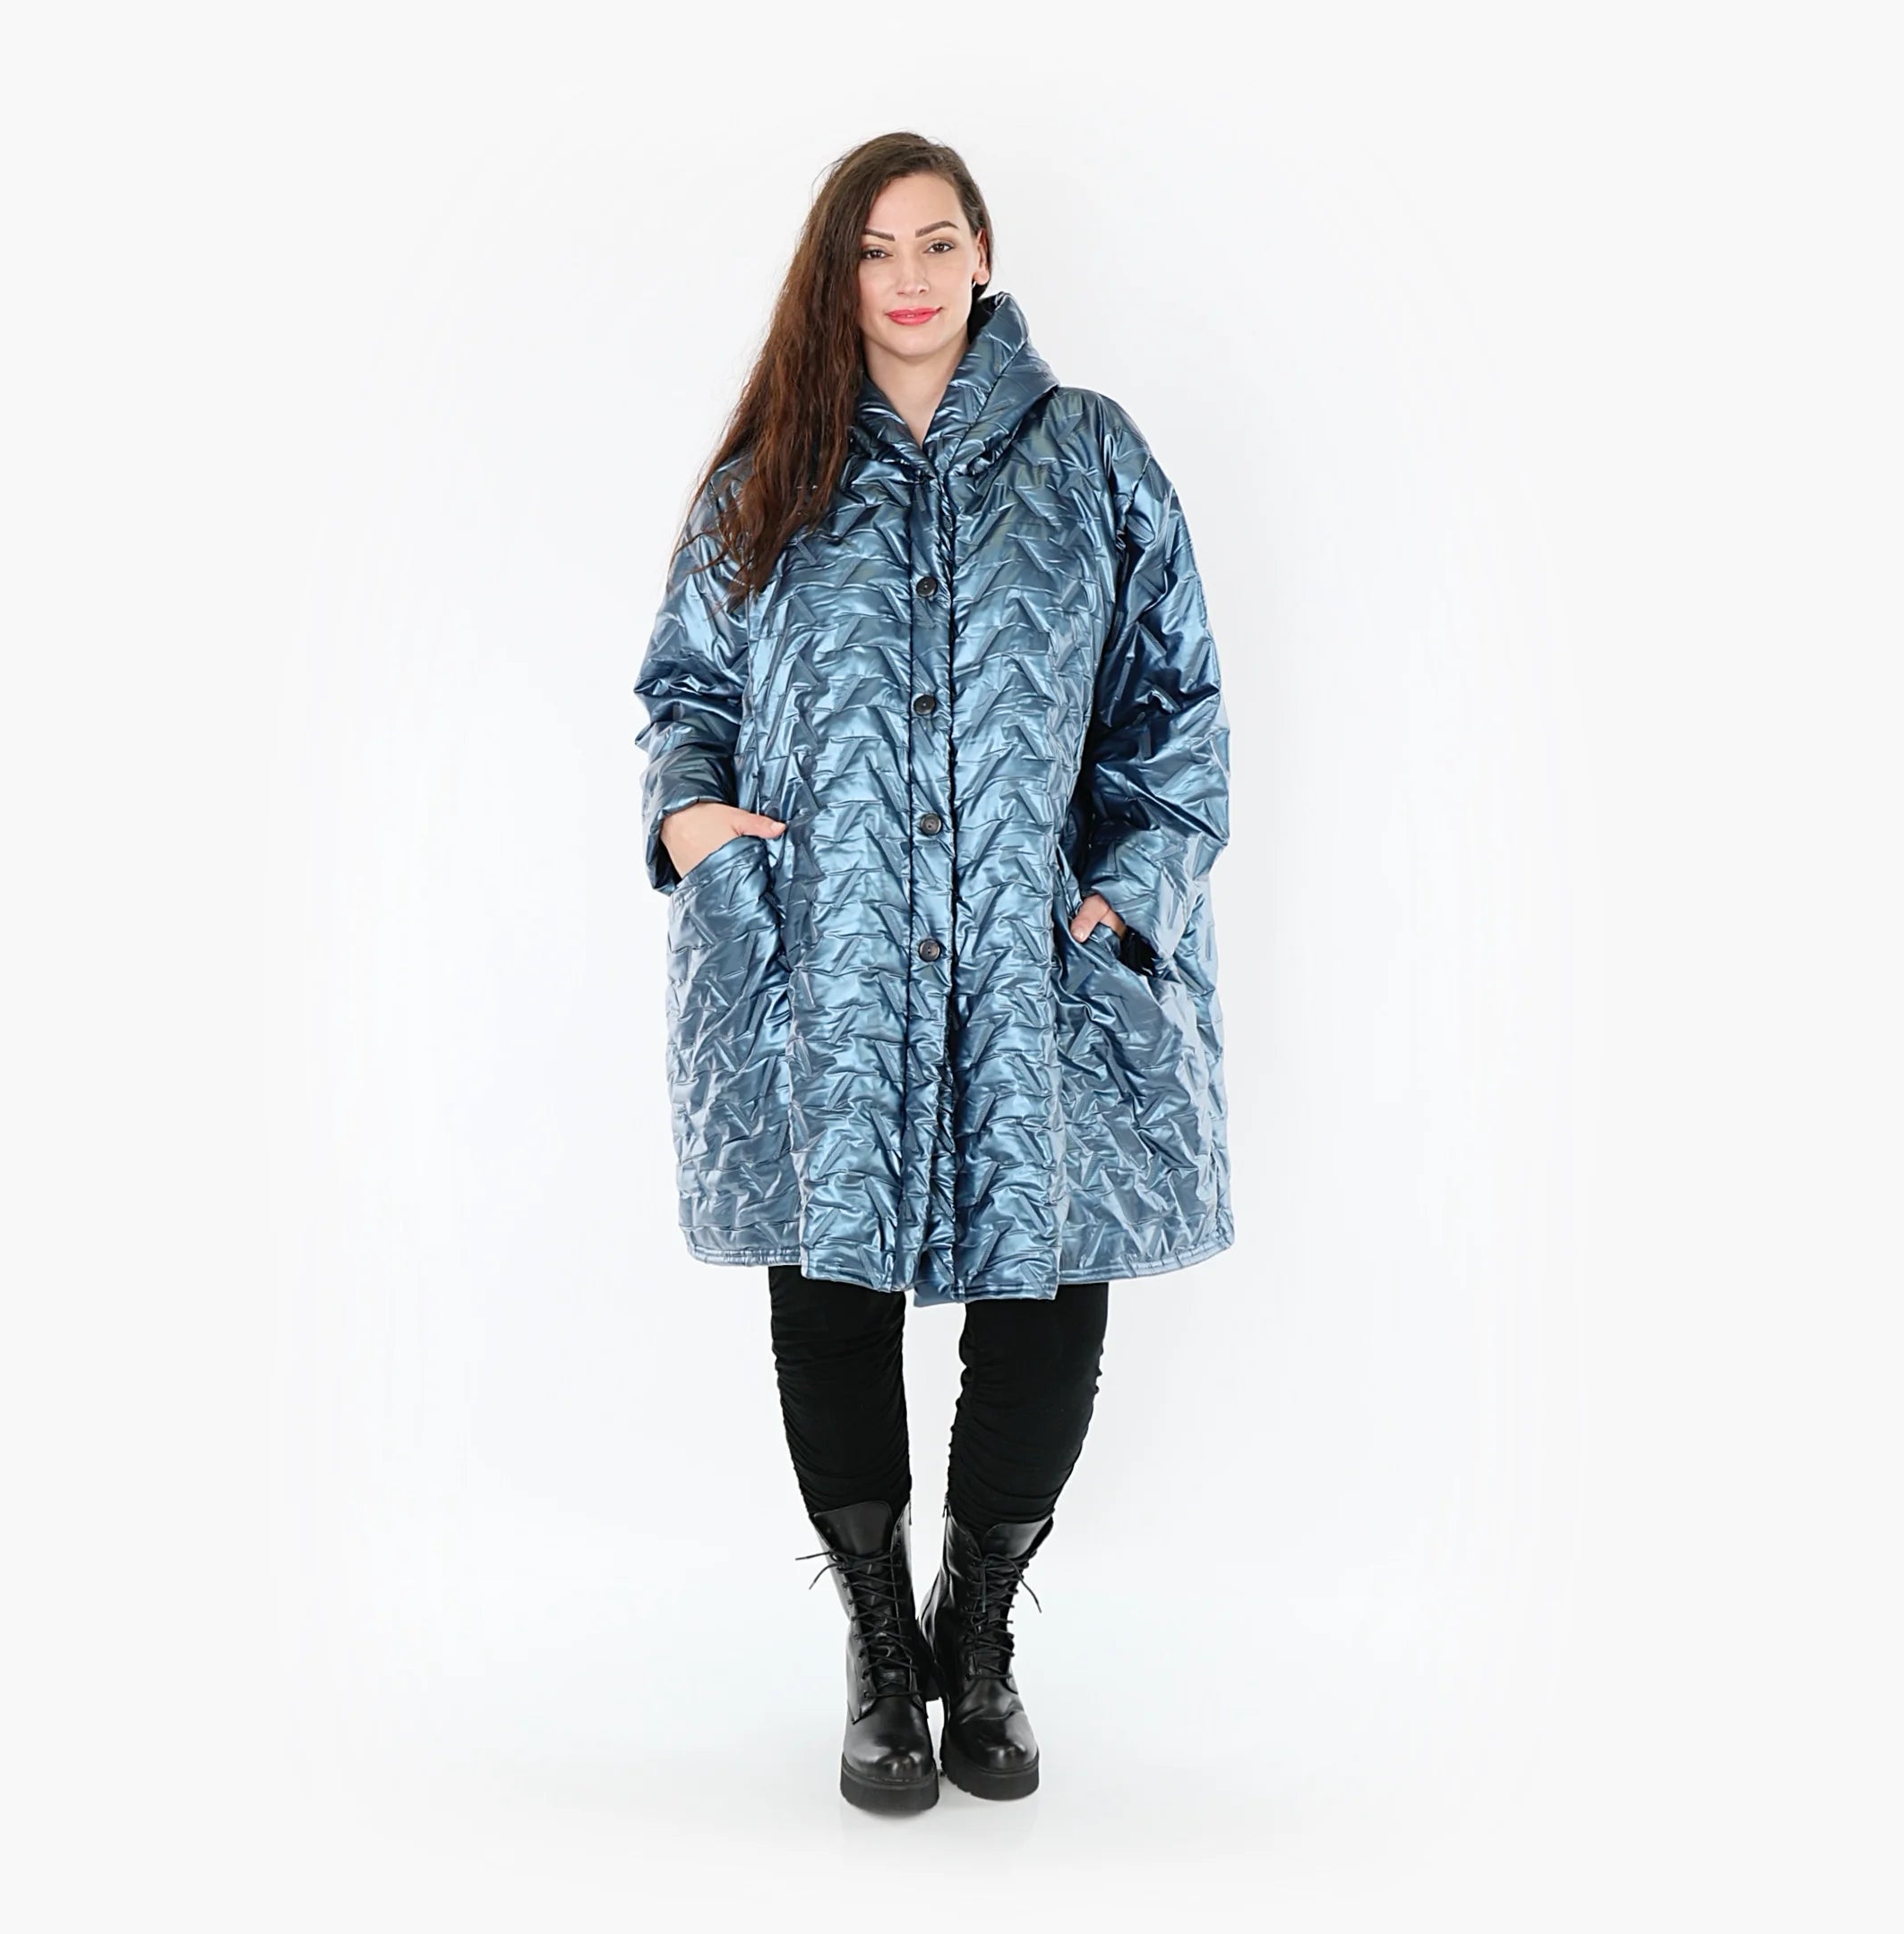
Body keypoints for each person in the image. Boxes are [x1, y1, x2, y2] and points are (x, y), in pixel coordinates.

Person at [632, 133, 1232, 1812]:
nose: (909, 276)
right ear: (837, 274)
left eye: (937, 241)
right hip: (821, 958)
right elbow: (684, 690)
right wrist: (693, 824)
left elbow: (1175, 706)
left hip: (1039, 965)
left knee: (1046, 1292)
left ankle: (979, 1636)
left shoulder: (1090, 454)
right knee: (831, 1287)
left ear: (984, 255)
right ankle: (879, 1648)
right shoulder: (772, 467)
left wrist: (1119, 903)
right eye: (875, 248)